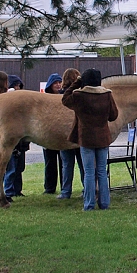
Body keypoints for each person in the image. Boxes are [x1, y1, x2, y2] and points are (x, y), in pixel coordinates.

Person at [62, 68, 118, 211]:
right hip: (103, 137)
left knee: (89, 172)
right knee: (101, 171)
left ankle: (89, 204)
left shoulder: (79, 95)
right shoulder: (107, 95)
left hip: (86, 138)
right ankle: (104, 204)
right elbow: (113, 116)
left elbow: (65, 98)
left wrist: (76, 83)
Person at [57, 68, 85, 199]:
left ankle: (65, 191)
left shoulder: (60, 95)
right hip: (78, 133)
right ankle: (86, 188)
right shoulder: (79, 94)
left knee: (67, 165)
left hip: (64, 134)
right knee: (82, 164)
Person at [3, 75, 30, 199]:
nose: (17, 88)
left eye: (19, 86)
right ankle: (8, 191)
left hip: (21, 144)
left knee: (19, 168)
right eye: (15, 85)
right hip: (13, 144)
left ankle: (17, 190)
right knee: (11, 169)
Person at [42, 72, 63, 194]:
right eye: (56, 83)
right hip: (49, 134)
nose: (58, 85)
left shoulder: (64, 96)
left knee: (63, 163)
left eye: (59, 82)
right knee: (50, 163)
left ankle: (64, 186)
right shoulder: (45, 99)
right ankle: (49, 187)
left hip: (60, 135)